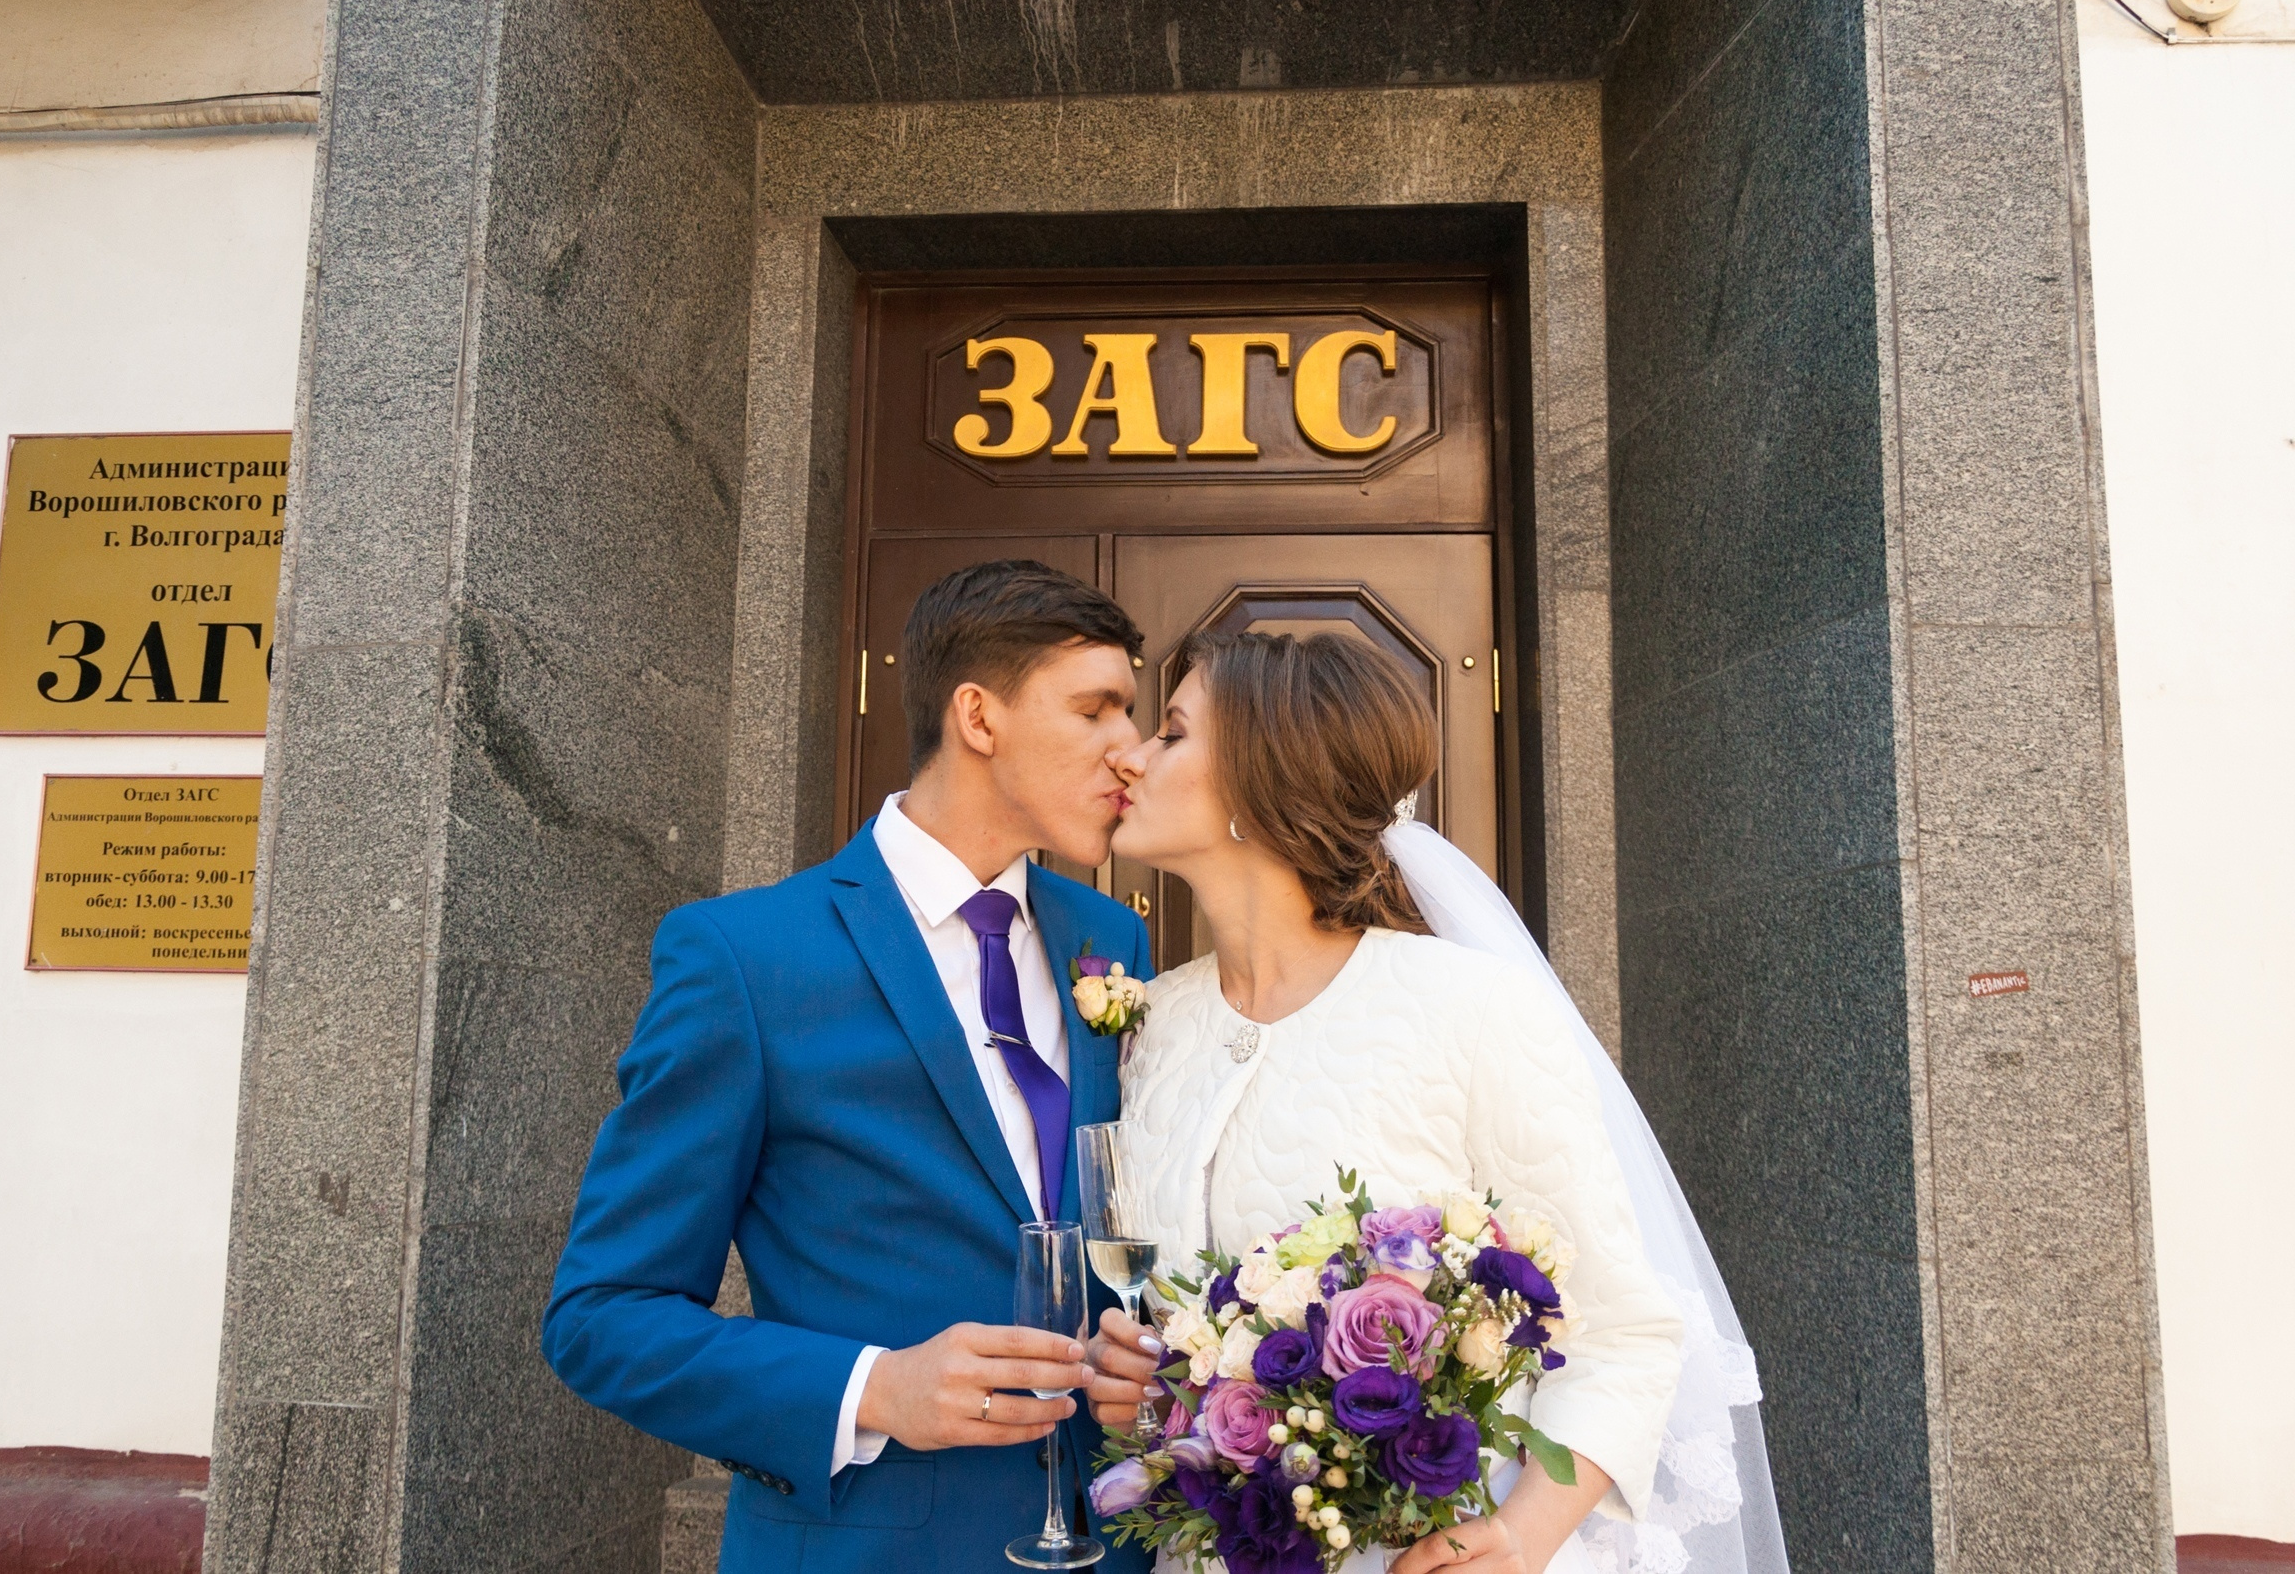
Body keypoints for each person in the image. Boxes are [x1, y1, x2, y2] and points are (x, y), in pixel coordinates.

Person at [1087, 631, 1787, 1574]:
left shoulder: (1468, 1007)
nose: (1129, 753)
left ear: (1263, 783)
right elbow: (1173, 1327)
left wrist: (1524, 1536)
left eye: (1171, 732)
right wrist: (1137, 1379)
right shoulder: (1158, 1022)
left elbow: (1626, 1325)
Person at [545, 561, 1162, 1573]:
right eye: (1096, 710)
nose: (1130, 753)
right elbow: (603, 1316)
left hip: (1113, 1547)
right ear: (978, 714)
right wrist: (874, 1387)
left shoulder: (1110, 941)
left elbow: (1114, 1232)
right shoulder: (744, 958)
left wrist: (1139, 1351)